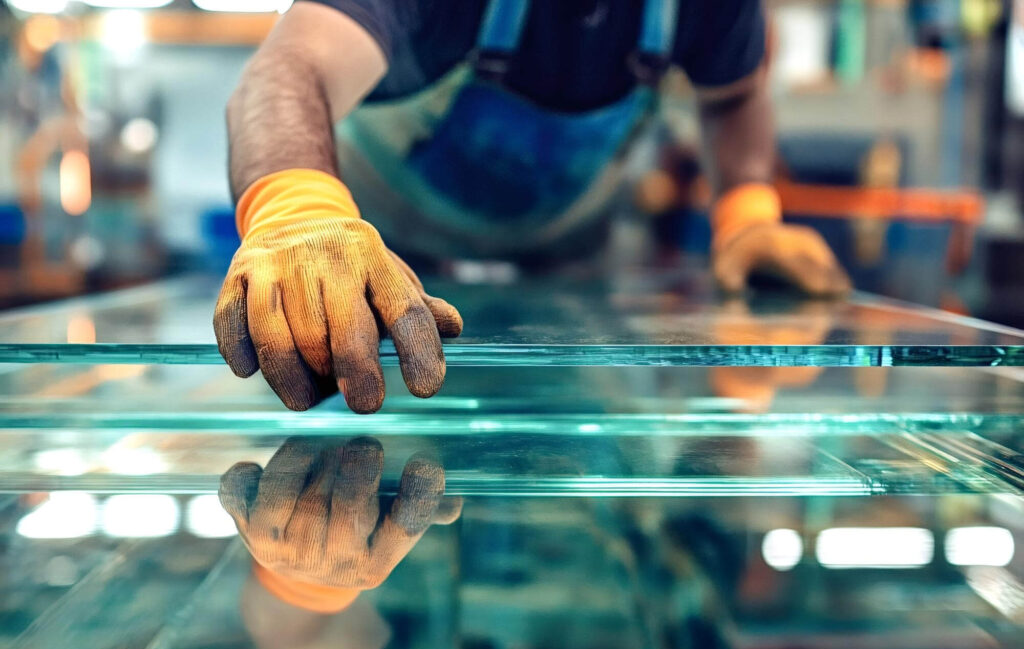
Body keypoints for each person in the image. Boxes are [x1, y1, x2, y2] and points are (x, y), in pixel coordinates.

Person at [214, 0, 851, 413]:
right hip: (372, 309)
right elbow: (287, 71)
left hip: (565, 303)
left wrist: (747, 214)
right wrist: (298, 207)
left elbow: (734, 95)